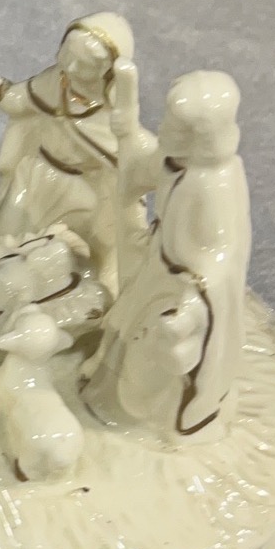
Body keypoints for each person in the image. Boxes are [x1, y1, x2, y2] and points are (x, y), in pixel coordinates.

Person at [82, 71, 250, 439]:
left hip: (185, 289)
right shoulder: (177, 160)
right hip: (159, 270)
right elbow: (145, 166)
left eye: (173, 125)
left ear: (199, 136)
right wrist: (128, 131)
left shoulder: (215, 185)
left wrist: (194, 295)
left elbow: (223, 253)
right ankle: (108, 397)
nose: (163, 128)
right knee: (126, 328)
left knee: (153, 357)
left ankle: (149, 418)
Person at [0, 11, 153, 289]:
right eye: (67, 56)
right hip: (36, 174)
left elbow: (135, 161)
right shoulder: (54, 82)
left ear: (107, 72)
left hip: (83, 192)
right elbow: (18, 101)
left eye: (84, 65)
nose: (70, 68)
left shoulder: (113, 118)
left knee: (79, 257)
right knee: (3, 237)